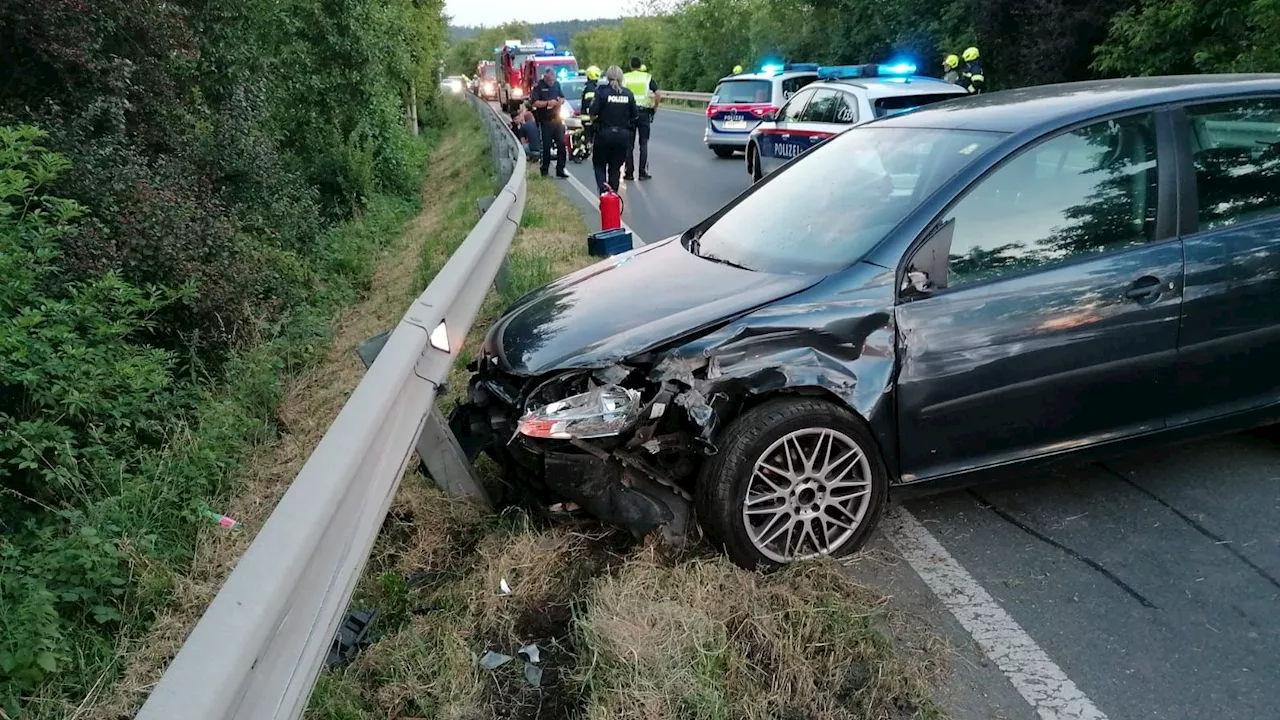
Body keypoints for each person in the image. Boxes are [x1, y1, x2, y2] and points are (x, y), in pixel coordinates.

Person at [589, 65, 639, 194]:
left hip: (604, 135)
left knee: (599, 165)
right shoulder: (628, 94)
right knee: (615, 168)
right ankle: (613, 196)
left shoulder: (601, 91)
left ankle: (604, 192)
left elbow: (593, 112)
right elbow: (635, 116)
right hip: (622, 137)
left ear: (607, 77)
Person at [622, 57, 659, 180]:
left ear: (631, 66)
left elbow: (620, 92)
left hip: (629, 114)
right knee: (643, 144)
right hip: (644, 113)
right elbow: (658, 93)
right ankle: (642, 172)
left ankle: (629, 173)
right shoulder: (647, 77)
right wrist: (654, 106)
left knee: (629, 145)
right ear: (640, 65)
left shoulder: (625, 77)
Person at [530, 66, 568, 177]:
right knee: (546, 147)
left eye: (553, 79)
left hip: (557, 120)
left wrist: (560, 101)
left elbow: (563, 97)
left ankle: (560, 169)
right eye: (550, 79)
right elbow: (534, 103)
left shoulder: (557, 85)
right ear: (545, 77)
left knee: (561, 145)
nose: (552, 81)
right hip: (545, 121)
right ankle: (544, 171)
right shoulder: (538, 86)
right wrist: (547, 103)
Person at [581, 65, 601, 145]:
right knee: (590, 139)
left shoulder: (589, 87)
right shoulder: (591, 88)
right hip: (589, 118)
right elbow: (590, 104)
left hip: (587, 117)